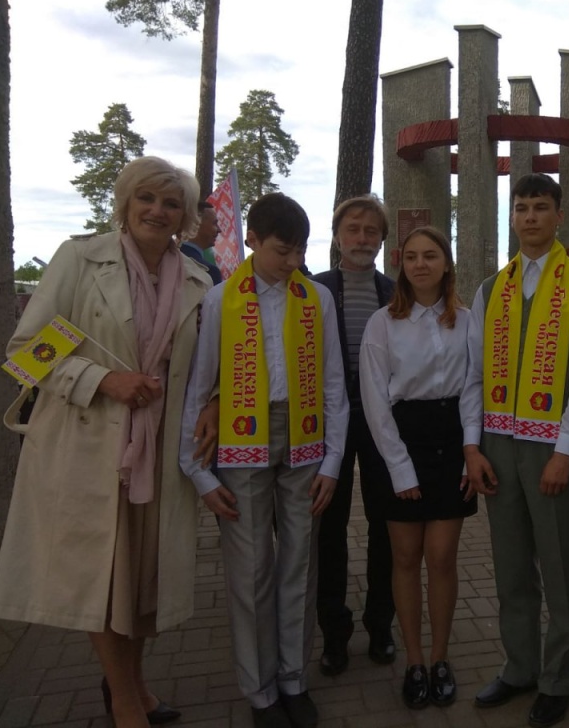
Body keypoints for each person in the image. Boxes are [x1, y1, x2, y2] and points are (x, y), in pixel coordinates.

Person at [0, 156, 212, 728]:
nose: (157, 211)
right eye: (147, 199)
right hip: (90, 448)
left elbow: (205, 366)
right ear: (126, 203)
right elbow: (25, 350)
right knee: (102, 579)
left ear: (185, 218)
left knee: (141, 586)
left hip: (160, 454)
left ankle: (132, 689)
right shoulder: (79, 259)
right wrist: (102, 379)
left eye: (171, 204)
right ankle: (127, 705)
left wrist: (211, 404)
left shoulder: (198, 279)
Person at [179, 193, 349, 728]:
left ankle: (294, 680)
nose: (293, 261)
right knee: (251, 570)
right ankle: (260, 692)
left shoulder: (316, 298)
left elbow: (334, 385)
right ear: (251, 239)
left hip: (303, 441)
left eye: (300, 250)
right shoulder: (220, 299)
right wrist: (198, 470)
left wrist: (332, 463)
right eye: (282, 250)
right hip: (240, 442)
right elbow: (199, 386)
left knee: (300, 562)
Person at [465, 173, 569, 728]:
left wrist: (565, 452)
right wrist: (472, 447)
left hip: (552, 448)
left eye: (540, 207)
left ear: (558, 216)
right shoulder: (489, 289)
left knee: (562, 568)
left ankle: (558, 679)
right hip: (499, 445)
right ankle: (520, 665)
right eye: (521, 207)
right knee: (510, 567)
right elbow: (473, 377)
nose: (529, 217)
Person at [359, 226, 477, 709]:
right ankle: (412, 660)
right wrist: (400, 469)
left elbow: (474, 387)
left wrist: (472, 447)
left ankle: (440, 657)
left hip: (451, 440)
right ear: (400, 265)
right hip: (399, 441)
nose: (421, 264)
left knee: (442, 557)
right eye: (411, 257)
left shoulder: (468, 320)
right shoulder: (382, 323)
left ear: (446, 263)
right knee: (404, 558)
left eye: (431, 256)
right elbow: (374, 400)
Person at [311, 195, 396, 674]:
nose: (362, 239)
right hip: (330, 427)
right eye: (354, 229)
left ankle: (381, 626)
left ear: (382, 239)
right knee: (329, 530)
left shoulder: (396, 293)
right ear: (338, 234)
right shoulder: (315, 291)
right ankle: (334, 633)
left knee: (387, 529)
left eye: (371, 231)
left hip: (385, 427)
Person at [179, 200, 223, 285]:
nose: (219, 230)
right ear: (195, 224)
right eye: (214, 223)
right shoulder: (209, 271)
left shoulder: (165, 259)